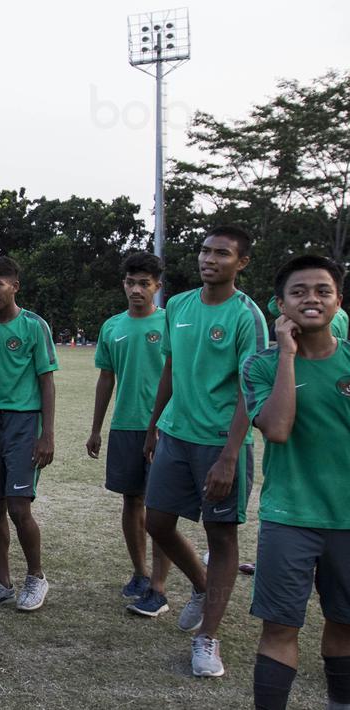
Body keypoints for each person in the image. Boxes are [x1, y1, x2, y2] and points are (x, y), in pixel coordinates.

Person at [142, 225, 267, 677]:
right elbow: (171, 367)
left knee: (222, 536)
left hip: (219, 442)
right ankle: (199, 584)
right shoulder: (177, 304)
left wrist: (231, 455)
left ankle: (207, 638)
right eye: (204, 250)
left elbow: (248, 388)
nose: (208, 259)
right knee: (156, 521)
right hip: (176, 434)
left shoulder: (247, 316)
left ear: (241, 262)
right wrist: (154, 425)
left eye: (221, 253)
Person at [244, 255, 350, 709]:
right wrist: (287, 354)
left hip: (347, 520)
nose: (312, 299)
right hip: (289, 517)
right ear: (280, 304)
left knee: (345, 623)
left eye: (323, 291)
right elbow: (279, 428)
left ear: (338, 301)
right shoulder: (261, 365)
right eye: (299, 291)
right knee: (281, 628)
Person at [0, 255, 57, 612]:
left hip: (24, 422)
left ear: (14, 287)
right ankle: (2, 583)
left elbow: (47, 382)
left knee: (19, 507)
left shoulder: (34, 325)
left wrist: (47, 434)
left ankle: (36, 577)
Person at [85, 252, 172, 614]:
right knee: (131, 501)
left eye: (144, 284)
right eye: (131, 283)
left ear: (157, 287)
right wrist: (96, 429)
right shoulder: (112, 327)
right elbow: (107, 379)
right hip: (125, 426)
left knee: (162, 509)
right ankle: (140, 572)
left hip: (166, 428)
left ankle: (159, 586)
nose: (136, 290)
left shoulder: (170, 323)